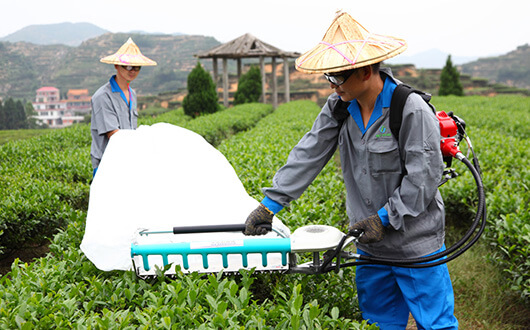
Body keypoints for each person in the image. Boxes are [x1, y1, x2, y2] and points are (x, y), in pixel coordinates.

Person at [244, 12, 458, 330]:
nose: (332, 85)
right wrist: (269, 206)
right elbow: (308, 153)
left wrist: (384, 219)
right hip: (370, 244)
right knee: (378, 322)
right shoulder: (339, 107)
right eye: (329, 77)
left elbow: (422, 180)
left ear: (367, 70)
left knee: (435, 323)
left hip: (415, 243)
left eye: (339, 77)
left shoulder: (409, 109)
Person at [90, 38, 157, 177]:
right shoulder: (103, 96)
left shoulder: (132, 93)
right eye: (128, 66)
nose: (132, 71)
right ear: (116, 65)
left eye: (137, 67)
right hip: (107, 165)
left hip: (128, 162)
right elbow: (114, 135)